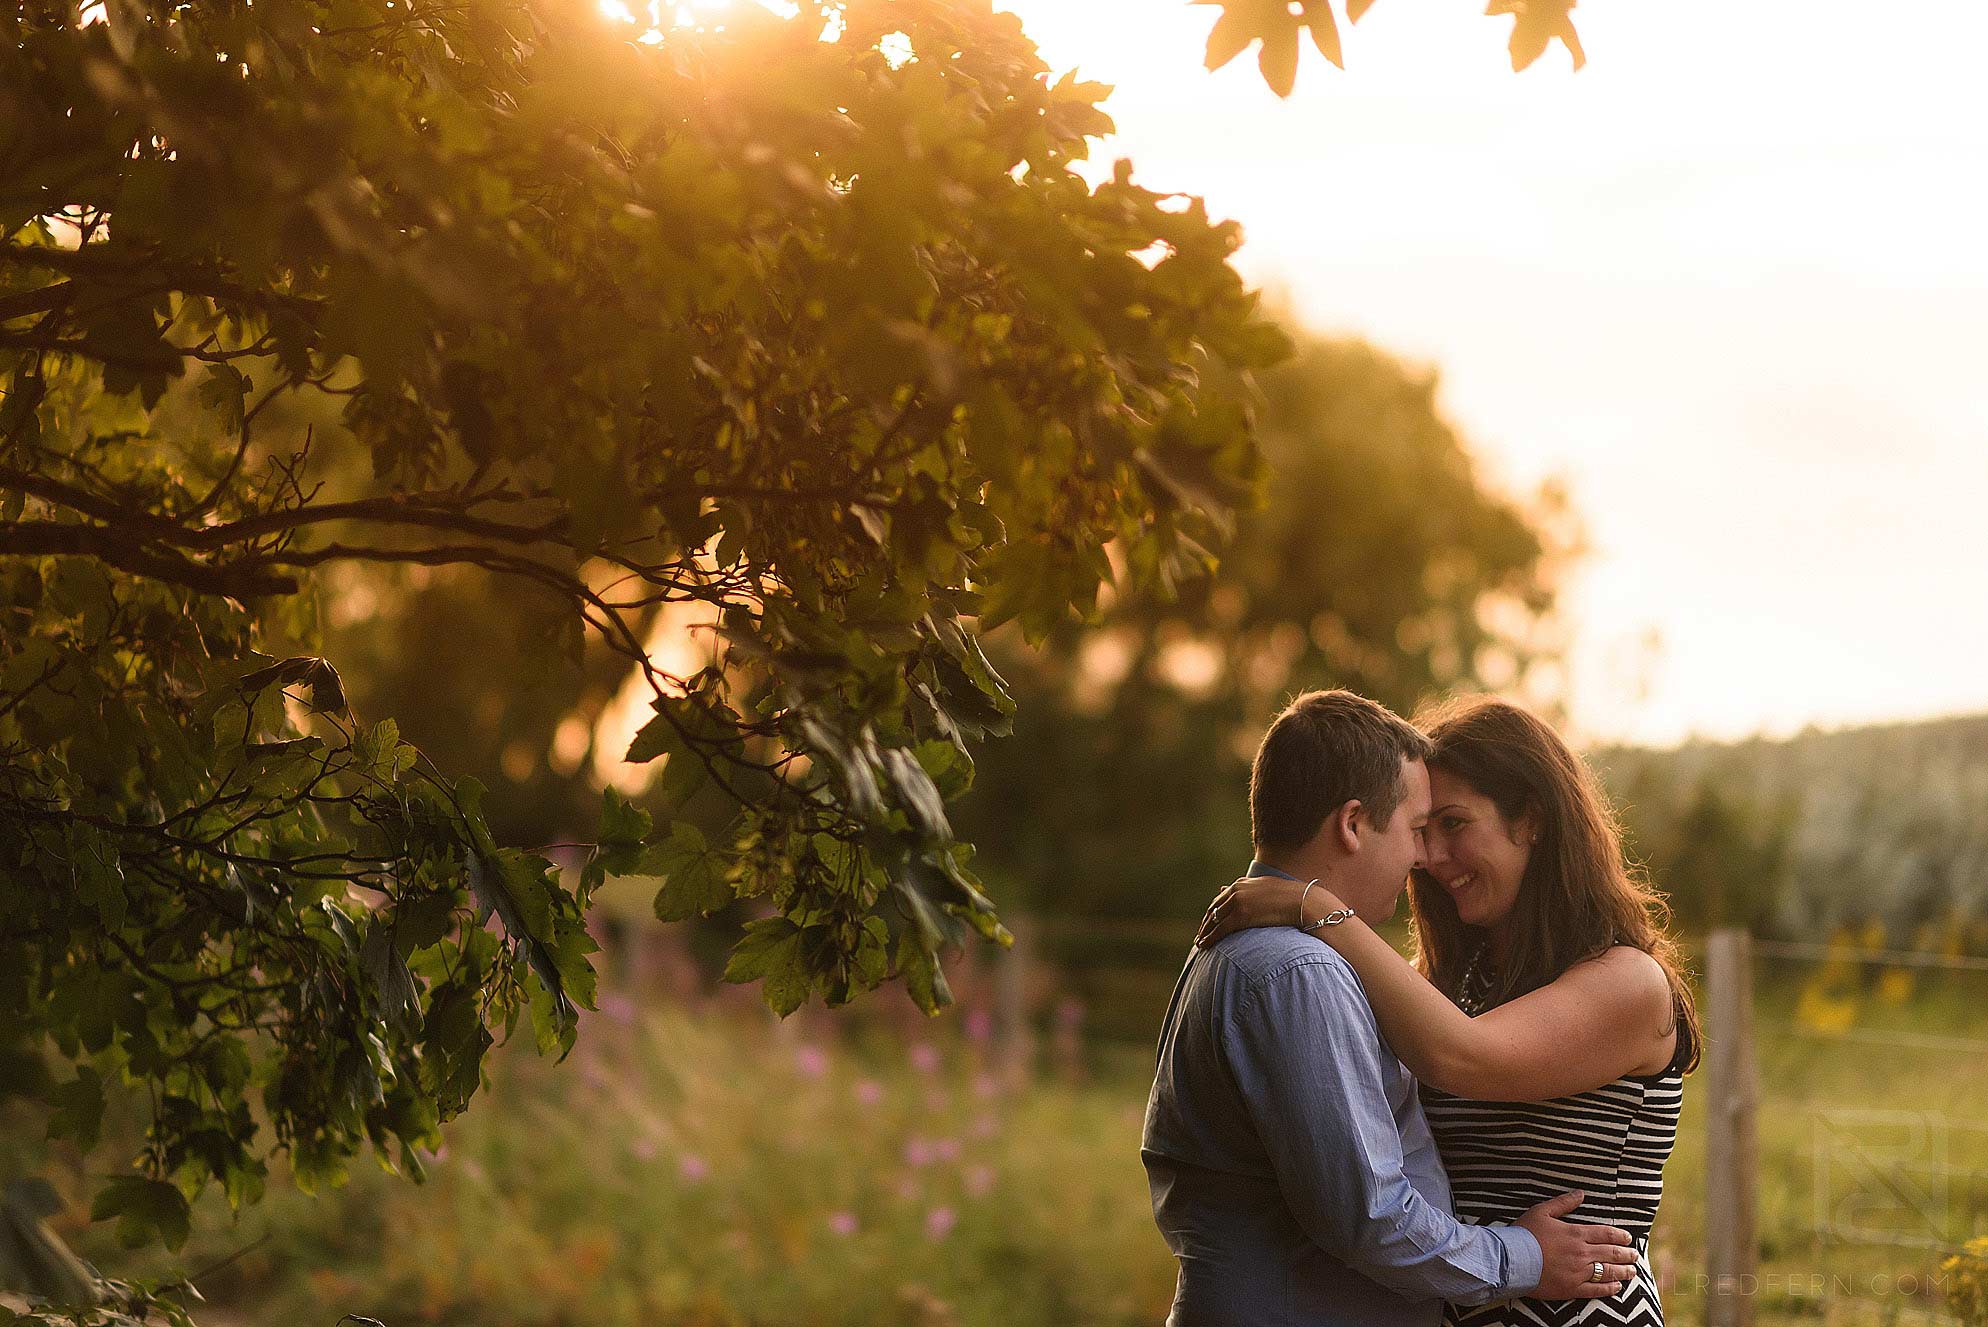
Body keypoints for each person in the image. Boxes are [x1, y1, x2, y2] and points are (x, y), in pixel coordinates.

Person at [1195, 694, 1700, 1327]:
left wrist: (1314, 906)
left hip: (1583, 1313)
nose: (1430, 857)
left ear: (1534, 819)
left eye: (1455, 824)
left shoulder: (1629, 983)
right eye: (1423, 829)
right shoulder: (1447, 989)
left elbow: (1464, 1057)